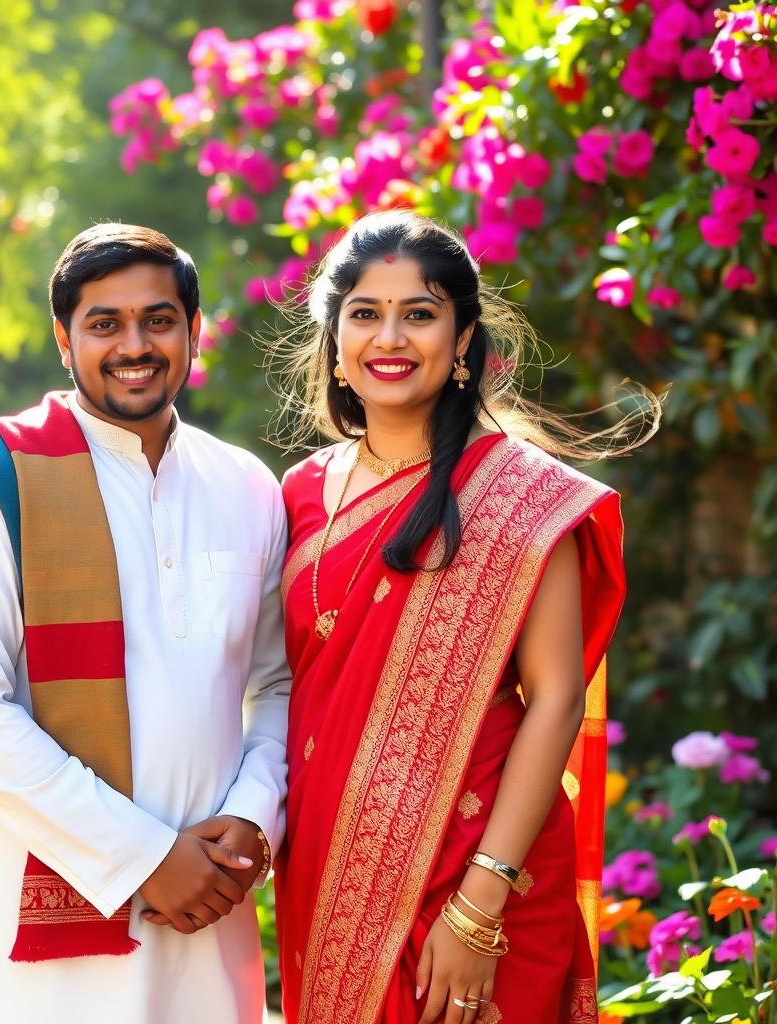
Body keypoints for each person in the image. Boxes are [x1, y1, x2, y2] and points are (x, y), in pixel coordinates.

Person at [273, 210, 655, 1024]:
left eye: (420, 314)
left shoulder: (522, 495)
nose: (391, 337)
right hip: (328, 867)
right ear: (334, 338)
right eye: (366, 314)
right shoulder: (301, 492)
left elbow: (553, 698)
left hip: (478, 867)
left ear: (462, 338)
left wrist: (480, 904)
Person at [0, 223, 290, 1024]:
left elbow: (276, 680)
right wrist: (146, 858)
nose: (135, 345)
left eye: (158, 319)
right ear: (64, 339)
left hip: (206, 918)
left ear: (194, 331)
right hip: (36, 935)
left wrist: (254, 816)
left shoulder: (247, 487)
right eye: (104, 324)